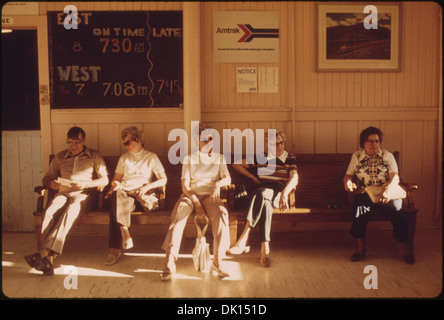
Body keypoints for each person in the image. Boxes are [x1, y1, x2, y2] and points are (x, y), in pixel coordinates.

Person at [24, 126, 109, 275]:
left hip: (84, 194)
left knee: (72, 209)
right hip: (63, 193)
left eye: (76, 142)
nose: (73, 146)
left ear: (84, 141)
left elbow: (105, 179)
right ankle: (48, 260)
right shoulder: (60, 156)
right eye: (69, 142)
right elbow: (46, 178)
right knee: (50, 211)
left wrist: (86, 184)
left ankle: (44, 253)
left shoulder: (94, 155)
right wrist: (52, 184)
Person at [160, 124, 231, 280]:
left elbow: (227, 178)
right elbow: (185, 186)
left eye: (211, 139)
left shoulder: (219, 158)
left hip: (209, 196)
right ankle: (169, 263)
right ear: (197, 140)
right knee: (178, 216)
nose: (208, 142)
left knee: (222, 213)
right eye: (204, 139)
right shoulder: (189, 158)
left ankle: (218, 262)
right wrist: (196, 203)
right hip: (190, 195)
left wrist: (218, 184)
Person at [343, 126, 415, 264]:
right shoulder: (357, 156)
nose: (374, 144)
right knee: (360, 209)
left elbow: (395, 177)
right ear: (363, 143)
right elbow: (348, 175)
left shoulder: (388, 156)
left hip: (387, 188)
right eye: (370, 141)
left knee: (397, 209)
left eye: (376, 141)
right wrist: (348, 183)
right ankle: (360, 248)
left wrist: (388, 191)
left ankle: (407, 248)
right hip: (367, 191)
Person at [227, 130, 299, 267]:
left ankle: (244, 237)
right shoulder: (262, 157)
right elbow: (236, 164)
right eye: (274, 144)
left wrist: (285, 193)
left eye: (281, 143)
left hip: (279, 194)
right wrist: (253, 178)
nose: (278, 146)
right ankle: (264, 250)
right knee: (264, 202)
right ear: (267, 145)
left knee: (261, 193)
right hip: (262, 193)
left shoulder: (289, 157)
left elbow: (295, 177)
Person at [104, 126, 167, 265]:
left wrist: (148, 186)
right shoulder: (124, 158)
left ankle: (115, 249)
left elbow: (163, 179)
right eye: (124, 143)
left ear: (138, 140)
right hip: (125, 194)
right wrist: (116, 184)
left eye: (128, 143)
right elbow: (116, 179)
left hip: (141, 193)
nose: (126, 146)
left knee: (114, 208)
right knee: (116, 195)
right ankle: (124, 230)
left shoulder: (151, 157)